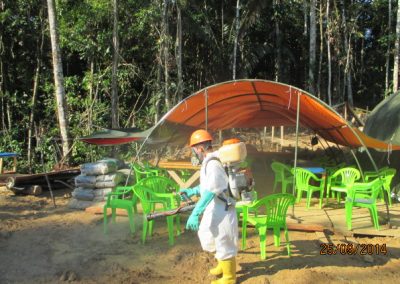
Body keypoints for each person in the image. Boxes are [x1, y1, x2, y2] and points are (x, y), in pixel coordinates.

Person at [180, 129, 238, 284]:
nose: (193, 153)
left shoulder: (213, 164)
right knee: (207, 234)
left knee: (224, 240)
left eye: (193, 150)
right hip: (215, 206)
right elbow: (207, 185)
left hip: (223, 208)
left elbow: (211, 191)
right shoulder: (208, 161)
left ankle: (229, 277)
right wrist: (193, 190)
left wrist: (195, 212)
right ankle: (222, 265)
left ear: (200, 148)